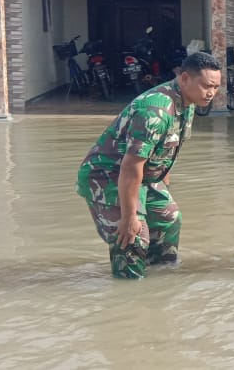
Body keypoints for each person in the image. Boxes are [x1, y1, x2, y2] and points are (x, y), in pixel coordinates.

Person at [77, 52, 221, 279]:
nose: (211, 93)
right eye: (206, 86)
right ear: (185, 79)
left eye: (216, 87)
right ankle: (129, 292)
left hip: (143, 176)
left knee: (169, 217)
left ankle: (162, 281)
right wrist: (129, 217)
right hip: (107, 176)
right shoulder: (155, 111)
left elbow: (167, 148)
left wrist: (162, 187)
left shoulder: (188, 103)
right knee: (133, 236)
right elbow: (129, 166)